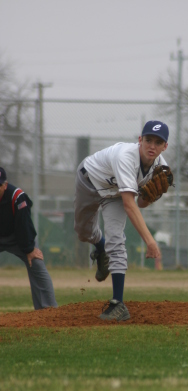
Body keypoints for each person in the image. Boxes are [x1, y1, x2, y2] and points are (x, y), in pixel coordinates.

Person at [74, 120, 170, 322]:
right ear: (140, 140)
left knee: (116, 240)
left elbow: (140, 203)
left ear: (165, 146)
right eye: (148, 140)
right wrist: (150, 242)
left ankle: (118, 304)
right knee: (83, 233)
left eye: (158, 142)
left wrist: (152, 195)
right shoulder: (126, 157)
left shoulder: (161, 168)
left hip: (115, 194)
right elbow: (130, 205)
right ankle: (100, 247)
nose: (152, 146)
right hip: (90, 181)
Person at [0, 167, 58, 310]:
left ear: (5, 185)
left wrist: (29, 249)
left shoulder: (17, 196)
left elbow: (24, 224)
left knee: (36, 262)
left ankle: (48, 311)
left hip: (17, 236)